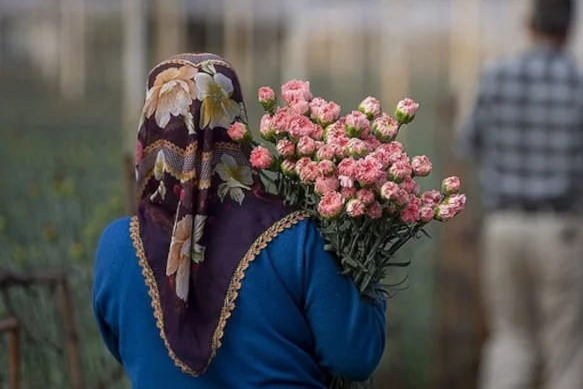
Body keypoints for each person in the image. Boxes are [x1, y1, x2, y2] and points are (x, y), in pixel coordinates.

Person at [93, 53, 386, 388]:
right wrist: (368, 271)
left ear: (151, 132)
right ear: (235, 127)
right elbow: (354, 357)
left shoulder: (118, 248)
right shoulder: (297, 240)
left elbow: (127, 350)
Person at [460, 0, 583, 389]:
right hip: (563, 229)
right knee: (566, 354)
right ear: (571, 29)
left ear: (529, 25)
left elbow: (469, 142)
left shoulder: (494, 78)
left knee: (510, 340)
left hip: (504, 227)